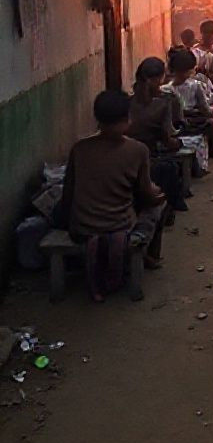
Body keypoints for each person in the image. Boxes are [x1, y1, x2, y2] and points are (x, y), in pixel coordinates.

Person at [59, 90, 166, 301]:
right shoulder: (138, 150)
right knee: (158, 205)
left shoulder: (79, 149)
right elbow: (147, 193)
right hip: (119, 224)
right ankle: (149, 255)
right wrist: (159, 195)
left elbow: (68, 191)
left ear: (97, 118)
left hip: (82, 226)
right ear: (127, 119)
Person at [127, 57, 187, 213]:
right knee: (170, 167)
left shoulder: (127, 102)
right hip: (149, 158)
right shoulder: (163, 103)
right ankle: (169, 207)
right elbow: (169, 139)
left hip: (124, 158)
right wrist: (178, 142)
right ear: (160, 78)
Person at [163, 49, 213, 158]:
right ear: (190, 69)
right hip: (190, 122)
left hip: (173, 124)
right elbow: (205, 109)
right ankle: (212, 154)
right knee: (211, 124)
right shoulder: (195, 85)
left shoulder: (165, 88)